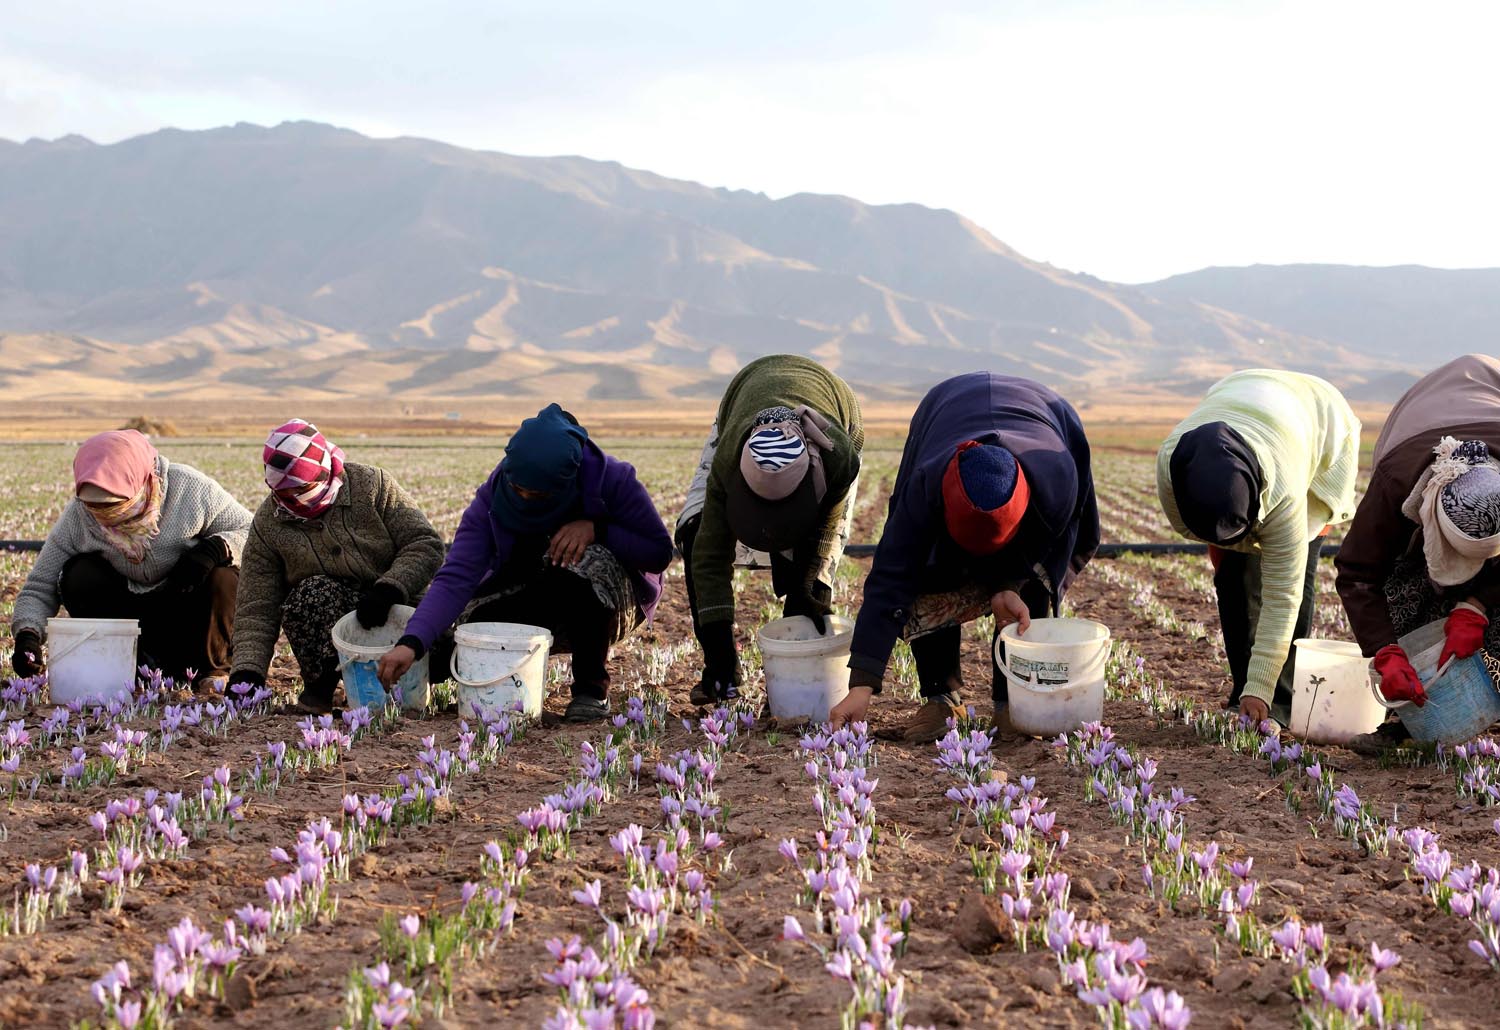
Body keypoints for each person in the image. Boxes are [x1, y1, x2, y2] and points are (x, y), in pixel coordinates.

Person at [836, 373, 1098, 741]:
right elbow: (891, 577)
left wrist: (1010, 583)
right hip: (945, 409)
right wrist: (861, 684)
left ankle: (1014, 699)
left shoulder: (1055, 484)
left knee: (1035, 581)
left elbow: (1059, 546)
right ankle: (941, 695)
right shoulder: (925, 487)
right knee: (927, 567)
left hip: (1044, 419)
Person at [375, 404, 673, 722]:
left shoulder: (611, 480)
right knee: (474, 622)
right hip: (532, 585)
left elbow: (658, 552)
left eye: (538, 495)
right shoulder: (493, 498)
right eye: (518, 490)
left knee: (583, 560)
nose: (525, 500)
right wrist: (412, 642)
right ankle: (459, 669)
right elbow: (457, 576)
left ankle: (591, 690)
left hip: (605, 605)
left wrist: (598, 530)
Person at [1158, 369, 1361, 727]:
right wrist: (1229, 557)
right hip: (1244, 395)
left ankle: (1278, 701)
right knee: (1233, 577)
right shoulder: (1172, 466)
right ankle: (1244, 693)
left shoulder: (1285, 493)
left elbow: (1284, 595)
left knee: (1300, 569)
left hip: (1320, 422)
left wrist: (1262, 684)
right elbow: (1215, 541)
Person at [675, 354, 864, 706]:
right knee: (694, 529)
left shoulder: (838, 457)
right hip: (745, 399)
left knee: (815, 572)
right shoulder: (729, 460)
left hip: (835, 415)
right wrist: (719, 648)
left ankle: (802, 684)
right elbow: (709, 554)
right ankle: (721, 671)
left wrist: (806, 585)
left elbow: (824, 535)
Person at [227, 420, 445, 714]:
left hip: (399, 609)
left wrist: (392, 588)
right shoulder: (270, 522)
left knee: (447, 647)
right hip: (335, 624)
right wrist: (247, 673)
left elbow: (425, 543)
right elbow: (256, 604)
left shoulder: (371, 485)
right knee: (311, 594)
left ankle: (419, 681)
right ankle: (320, 690)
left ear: (322, 471)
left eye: (300, 489)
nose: (290, 500)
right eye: (281, 492)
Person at [9, 429, 251, 690]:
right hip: (131, 622)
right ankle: (128, 665)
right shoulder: (79, 516)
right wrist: (28, 634)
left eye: (114, 505)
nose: (105, 515)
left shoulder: (190, 489)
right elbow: (40, 585)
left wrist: (215, 549)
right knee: (79, 575)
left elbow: (251, 530)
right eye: (94, 507)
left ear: (141, 482)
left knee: (223, 578)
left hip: (188, 608)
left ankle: (212, 670)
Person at [1336, 354, 1500, 716]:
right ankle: (1407, 717)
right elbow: (1358, 573)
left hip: (1486, 404)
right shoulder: (1393, 487)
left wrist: (1477, 604)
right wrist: (1384, 651)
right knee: (1404, 587)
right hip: (1417, 426)